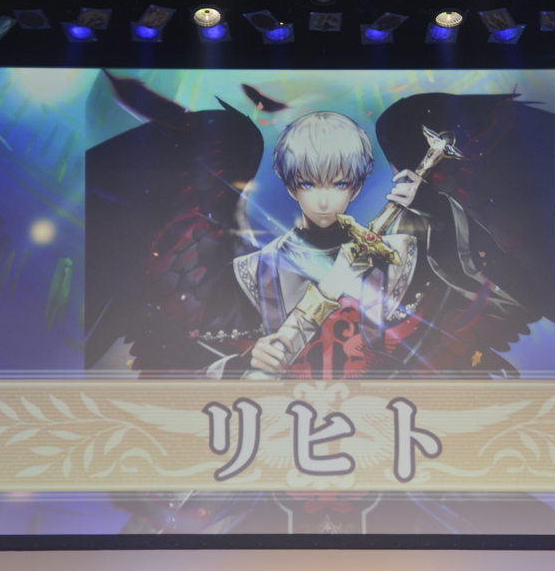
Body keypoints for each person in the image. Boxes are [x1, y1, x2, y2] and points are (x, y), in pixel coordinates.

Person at [198, 110, 534, 380]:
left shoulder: (405, 256)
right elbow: (192, 370)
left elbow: (508, 294)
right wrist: (245, 361)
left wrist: (435, 205)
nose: (324, 201)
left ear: (356, 187)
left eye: (340, 183)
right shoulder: (249, 272)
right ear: (290, 186)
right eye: (309, 184)